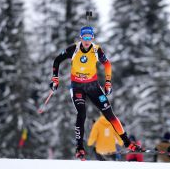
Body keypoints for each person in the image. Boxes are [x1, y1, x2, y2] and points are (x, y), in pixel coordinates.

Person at [50, 26, 142, 159]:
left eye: (89, 37)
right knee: (82, 113)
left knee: (109, 113)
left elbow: (107, 64)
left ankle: (127, 142)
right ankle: (79, 147)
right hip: (77, 87)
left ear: (92, 38)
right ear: (81, 37)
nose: (87, 40)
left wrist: (108, 82)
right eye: (85, 37)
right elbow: (57, 60)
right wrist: (55, 79)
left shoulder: (96, 50)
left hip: (93, 87)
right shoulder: (73, 49)